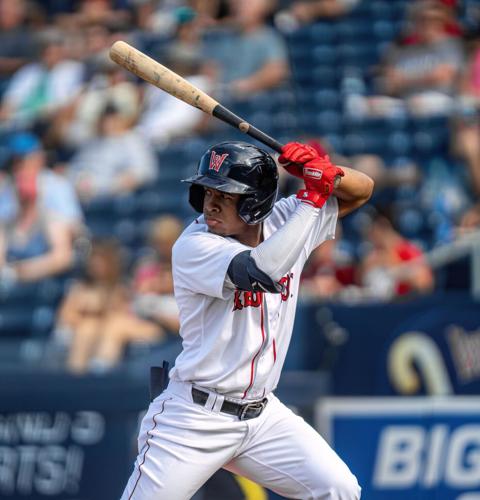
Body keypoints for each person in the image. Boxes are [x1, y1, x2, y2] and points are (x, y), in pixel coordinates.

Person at [120, 140, 373, 499]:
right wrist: (315, 197)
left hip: (262, 415)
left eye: (226, 194)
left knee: (338, 488)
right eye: (208, 190)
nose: (211, 202)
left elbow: (363, 191)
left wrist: (328, 174)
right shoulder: (194, 245)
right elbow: (262, 268)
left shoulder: (288, 219)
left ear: (256, 201)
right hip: (194, 416)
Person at [54, 238, 165, 374]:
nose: (97, 266)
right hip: (87, 333)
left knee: (112, 326)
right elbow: (66, 317)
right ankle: (76, 376)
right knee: (87, 328)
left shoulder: (120, 288)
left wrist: (100, 310)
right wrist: (91, 313)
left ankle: (101, 369)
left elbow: (125, 316)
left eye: (101, 261)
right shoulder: (79, 288)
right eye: (94, 262)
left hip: (127, 331)